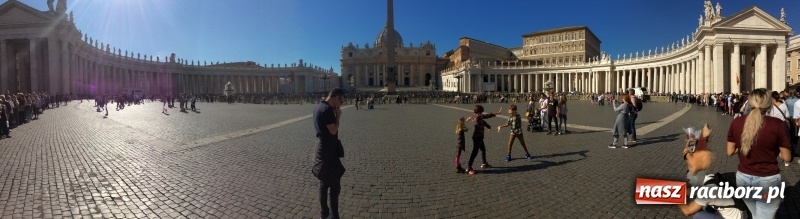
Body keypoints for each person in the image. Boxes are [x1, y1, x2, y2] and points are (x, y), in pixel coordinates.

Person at [726, 88, 792, 219]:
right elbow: (787, 157)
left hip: (743, 178)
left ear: (749, 103)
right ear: (769, 104)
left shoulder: (736, 122)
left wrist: (745, 142)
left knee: (755, 215)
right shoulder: (778, 125)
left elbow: (730, 151)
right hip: (768, 180)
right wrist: (773, 148)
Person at [312, 88, 346, 219]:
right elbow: (333, 131)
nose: (340, 104)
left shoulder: (318, 107)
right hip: (328, 151)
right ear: (336, 97)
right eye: (341, 101)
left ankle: (324, 213)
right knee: (334, 185)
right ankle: (334, 216)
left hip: (321, 147)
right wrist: (338, 117)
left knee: (323, 183)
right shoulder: (327, 110)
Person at [465, 105, 501, 175]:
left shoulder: (475, 116)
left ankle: (484, 163)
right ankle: (469, 167)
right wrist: (496, 113)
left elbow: (483, 122)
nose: (482, 113)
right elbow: (487, 116)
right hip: (477, 137)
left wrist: (489, 127)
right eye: (481, 111)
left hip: (479, 137)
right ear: (479, 111)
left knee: (483, 149)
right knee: (474, 152)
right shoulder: (478, 116)